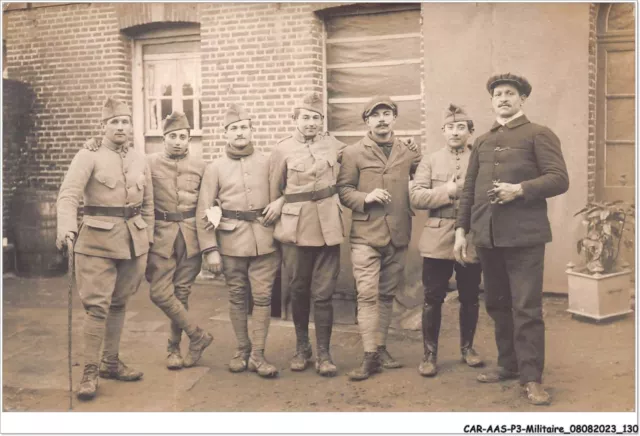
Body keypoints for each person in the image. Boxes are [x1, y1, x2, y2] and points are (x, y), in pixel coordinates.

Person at [454, 73, 569, 405]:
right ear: (492, 101)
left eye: (510, 94)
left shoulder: (539, 134)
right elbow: (469, 190)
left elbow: (559, 179)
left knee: (526, 308)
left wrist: (520, 189)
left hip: (525, 238)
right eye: (498, 94)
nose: (503, 99)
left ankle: (532, 378)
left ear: (522, 100)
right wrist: (462, 231)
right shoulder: (484, 141)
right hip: (487, 237)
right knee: (497, 304)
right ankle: (508, 365)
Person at [83, 112, 214, 370]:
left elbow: (211, 201)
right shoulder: (147, 162)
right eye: (172, 136)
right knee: (160, 293)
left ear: (190, 139)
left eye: (183, 137)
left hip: (190, 237)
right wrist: (93, 142)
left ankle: (174, 349)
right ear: (163, 138)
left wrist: (214, 220)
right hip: (160, 236)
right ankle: (198, 335)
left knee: (182, 294)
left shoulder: (202, 166)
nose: (178, 141)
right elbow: (120, 159)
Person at [56, 97, 154, 400]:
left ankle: (111, 362)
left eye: (125, 121)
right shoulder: (89, 155)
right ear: (104, 126)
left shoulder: (140, 159)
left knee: (120, 304)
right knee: (97, 308)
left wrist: (147, 238)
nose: (121, 127)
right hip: (96, 243)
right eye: (115, 122)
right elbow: (69, 194)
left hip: (132, 243)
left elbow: (148, 204)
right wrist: (66, 227)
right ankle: (89, 371)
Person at [337, 96, 422, 381]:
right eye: (376, 115)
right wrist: (366, 197)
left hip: (398, 232)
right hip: (366, 234)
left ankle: (381, 347)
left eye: (387, 114)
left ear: (395, 119)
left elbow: (422, 177)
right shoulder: (353, 153)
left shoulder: (408, 152)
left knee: (386, 294)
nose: (382, 119)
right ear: (367, 121)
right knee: (368, 294)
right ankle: (369, 355)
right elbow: (344, 190)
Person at [197, 104, 282, 378]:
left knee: (262, 297)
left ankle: (258, 354)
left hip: (265, 239)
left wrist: (280, 201)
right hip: (231, 240)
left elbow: (288, 188)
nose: (239, 133)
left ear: (252, 130)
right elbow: (205, 208)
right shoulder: (215, 168)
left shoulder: (269, 161)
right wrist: (210, 249)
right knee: (236, 296)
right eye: (233, 129)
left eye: (244, 127)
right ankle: (242, 349)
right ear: (226, 134)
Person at [268, 92, 346, 377]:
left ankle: (324, 353)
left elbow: (360, 157)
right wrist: (279, 201)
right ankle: (302, 347)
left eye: (316, 118)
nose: (311, 122)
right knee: (299, 288)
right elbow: (274, 189)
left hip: (328, 225)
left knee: (324, 293)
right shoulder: (282, 149)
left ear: (322, 121)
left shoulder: (335, 146)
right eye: (305, 117)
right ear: (295, 120)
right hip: (296, 228)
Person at [409, 103, 484, 377]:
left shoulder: (480, 157)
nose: (455, 132)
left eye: (461, 127)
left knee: (470, 296)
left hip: (471, 236)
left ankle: (468, 348)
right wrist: (447, 190)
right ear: (443, 131)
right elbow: (416, 197)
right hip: (437, 235)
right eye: (450, 127)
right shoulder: (430, 160)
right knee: (432, 297)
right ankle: (429, 354)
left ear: (470, 131)